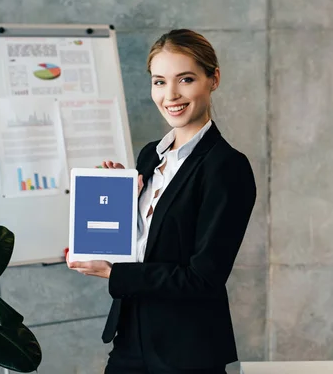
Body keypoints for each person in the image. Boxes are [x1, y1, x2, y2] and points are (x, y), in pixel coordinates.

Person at [66, 29, 257, 374]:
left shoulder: (226, 167)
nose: (171, 95)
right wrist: (115, 208)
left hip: (186, 351)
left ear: (213, 79)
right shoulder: (149, 157)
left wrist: (116, 275)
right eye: (159, 82)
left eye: (185, 79)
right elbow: (146, 249)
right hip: (130, 338)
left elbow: (203, 278)